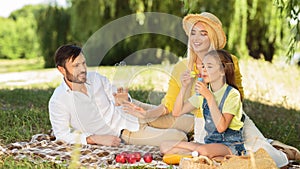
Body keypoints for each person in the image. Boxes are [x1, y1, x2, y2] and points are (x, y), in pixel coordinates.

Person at [122, 12, 293, 167]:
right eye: (193, 33)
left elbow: (238, 96)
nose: (196, 38)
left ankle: (277, 149)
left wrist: (213, 88)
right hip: (204, 125)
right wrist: (146, 114)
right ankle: (228, 153)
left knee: (264, 156)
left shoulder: (228, 61)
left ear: (212, 38)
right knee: (196, 152)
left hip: (231, 119)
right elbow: (170, 107)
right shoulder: (182, 68)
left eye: (203, 33)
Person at [49, 44, 187, 146]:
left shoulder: (95, 78)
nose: (82, 70)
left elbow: (117, 98)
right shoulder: (58, 101)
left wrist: (124, 99)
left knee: (190, 122)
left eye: (83, 63)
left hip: (133, 109)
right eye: (76, 66)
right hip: (125, 131)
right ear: (61, 70)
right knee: (180, 137)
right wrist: (93, 138)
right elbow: (61, 134)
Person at [160, 50, 246, 158]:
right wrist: (184, 87)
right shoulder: (202, 94)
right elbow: (177, 112)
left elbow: (221, 127)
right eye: (203, 66)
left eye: (209, 67)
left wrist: (209, 97)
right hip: (209, 144)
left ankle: (198, 154)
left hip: (230, 146)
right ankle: (200, 155)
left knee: (202, 150)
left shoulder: (233, 94)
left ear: (222, 70)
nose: (204, 70)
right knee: (165, 146)